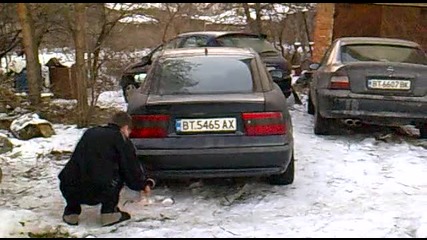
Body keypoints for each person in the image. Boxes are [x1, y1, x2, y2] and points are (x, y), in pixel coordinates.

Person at [58, 111, 155, 227]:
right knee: (116, 174)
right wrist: (143, 184)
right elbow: (130, 168)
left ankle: (71, 212)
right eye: (129, 131)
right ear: (125, 128)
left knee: (77, 170)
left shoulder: (90, 132)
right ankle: (109, 213)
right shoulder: (121, 139)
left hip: (68, 185)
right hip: (98, 189)